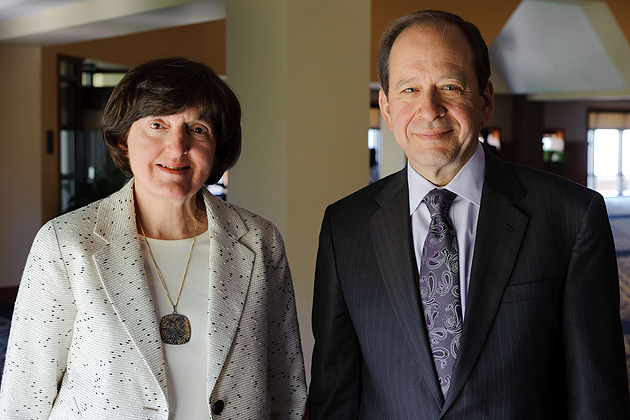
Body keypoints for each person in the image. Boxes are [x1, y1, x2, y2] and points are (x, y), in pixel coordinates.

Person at [309, 10, 630, 419]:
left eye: (450, 86)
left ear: (485, 100)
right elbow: (333, 396)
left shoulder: (571, 216)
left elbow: (597, 399)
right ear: (387, 109)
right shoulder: (345, 227)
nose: (429, 108)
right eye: (409, 89)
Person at [0, 57, 307, 419]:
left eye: (198, 129)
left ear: (217, 147)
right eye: (157, 125)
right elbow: (26, 395)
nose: (177, 148)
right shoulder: (66, 243)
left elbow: (286, 385)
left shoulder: (259, 240)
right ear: (123, 140)